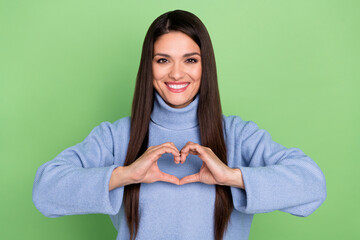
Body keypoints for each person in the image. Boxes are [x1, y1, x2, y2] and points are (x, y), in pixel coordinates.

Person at [32, 10, 327, 240]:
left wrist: (232, 176)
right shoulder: (116, 136)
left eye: (190, 60)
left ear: (204, 65)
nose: (176, 73)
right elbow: (45, 192)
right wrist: (124, 174)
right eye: (163, 60)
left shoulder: (237, 135)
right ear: (148, 66)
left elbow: (313, 185)